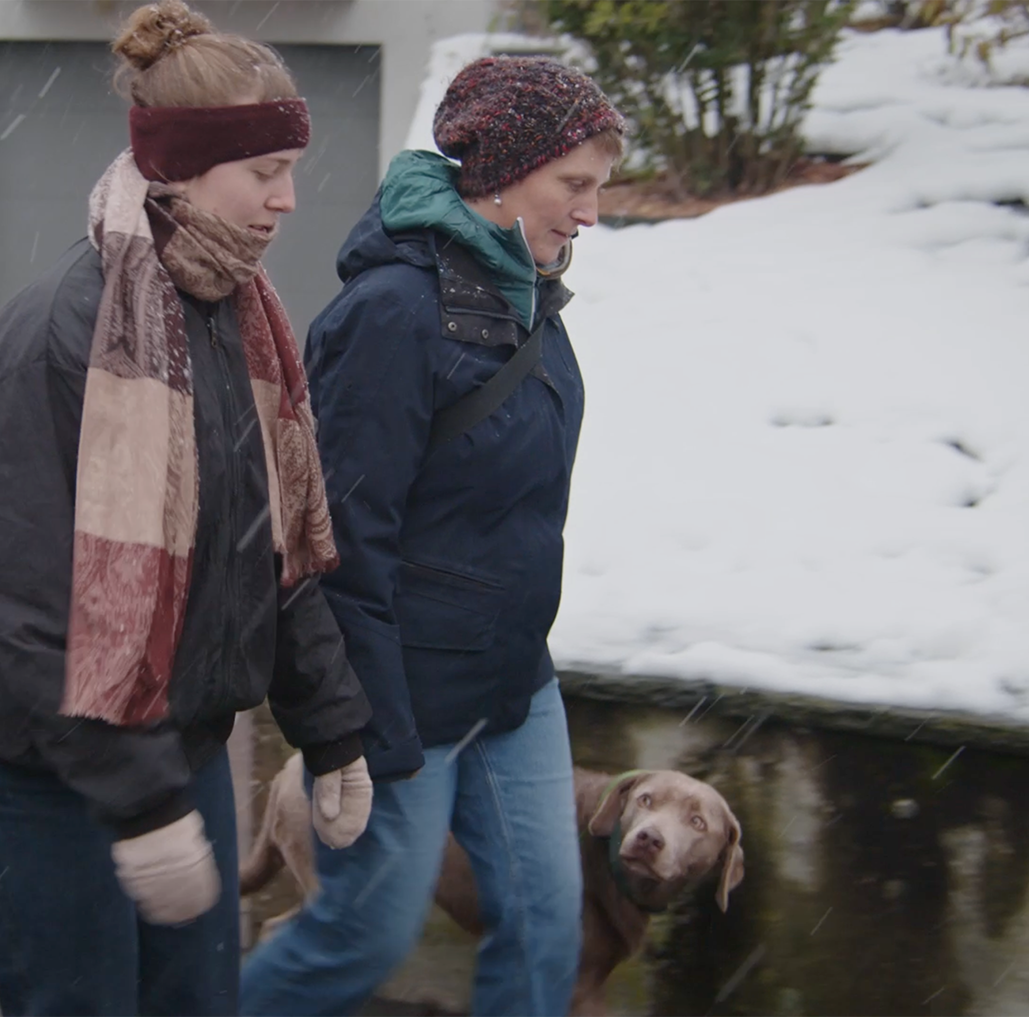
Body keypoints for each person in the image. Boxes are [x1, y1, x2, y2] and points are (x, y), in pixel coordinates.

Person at [0, 4, 374, 1015]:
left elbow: (263, 550)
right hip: (39, 768)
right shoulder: (60, 342)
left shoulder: (232, 323)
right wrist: (139, 798)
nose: (289, 201)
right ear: (184, 170)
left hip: (177, 745)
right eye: (264, 173)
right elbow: (31, 605)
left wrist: (329, 726)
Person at [238, 57, 627, 1017]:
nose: (588, 213)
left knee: (546, 931)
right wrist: (369, 733)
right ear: (499, 169)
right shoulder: (392, 316)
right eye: (571, 185)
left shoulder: (526, 298)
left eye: (597, 190)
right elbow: (339, 540)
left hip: (512, 683)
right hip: (403, 691)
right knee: (360, 936)